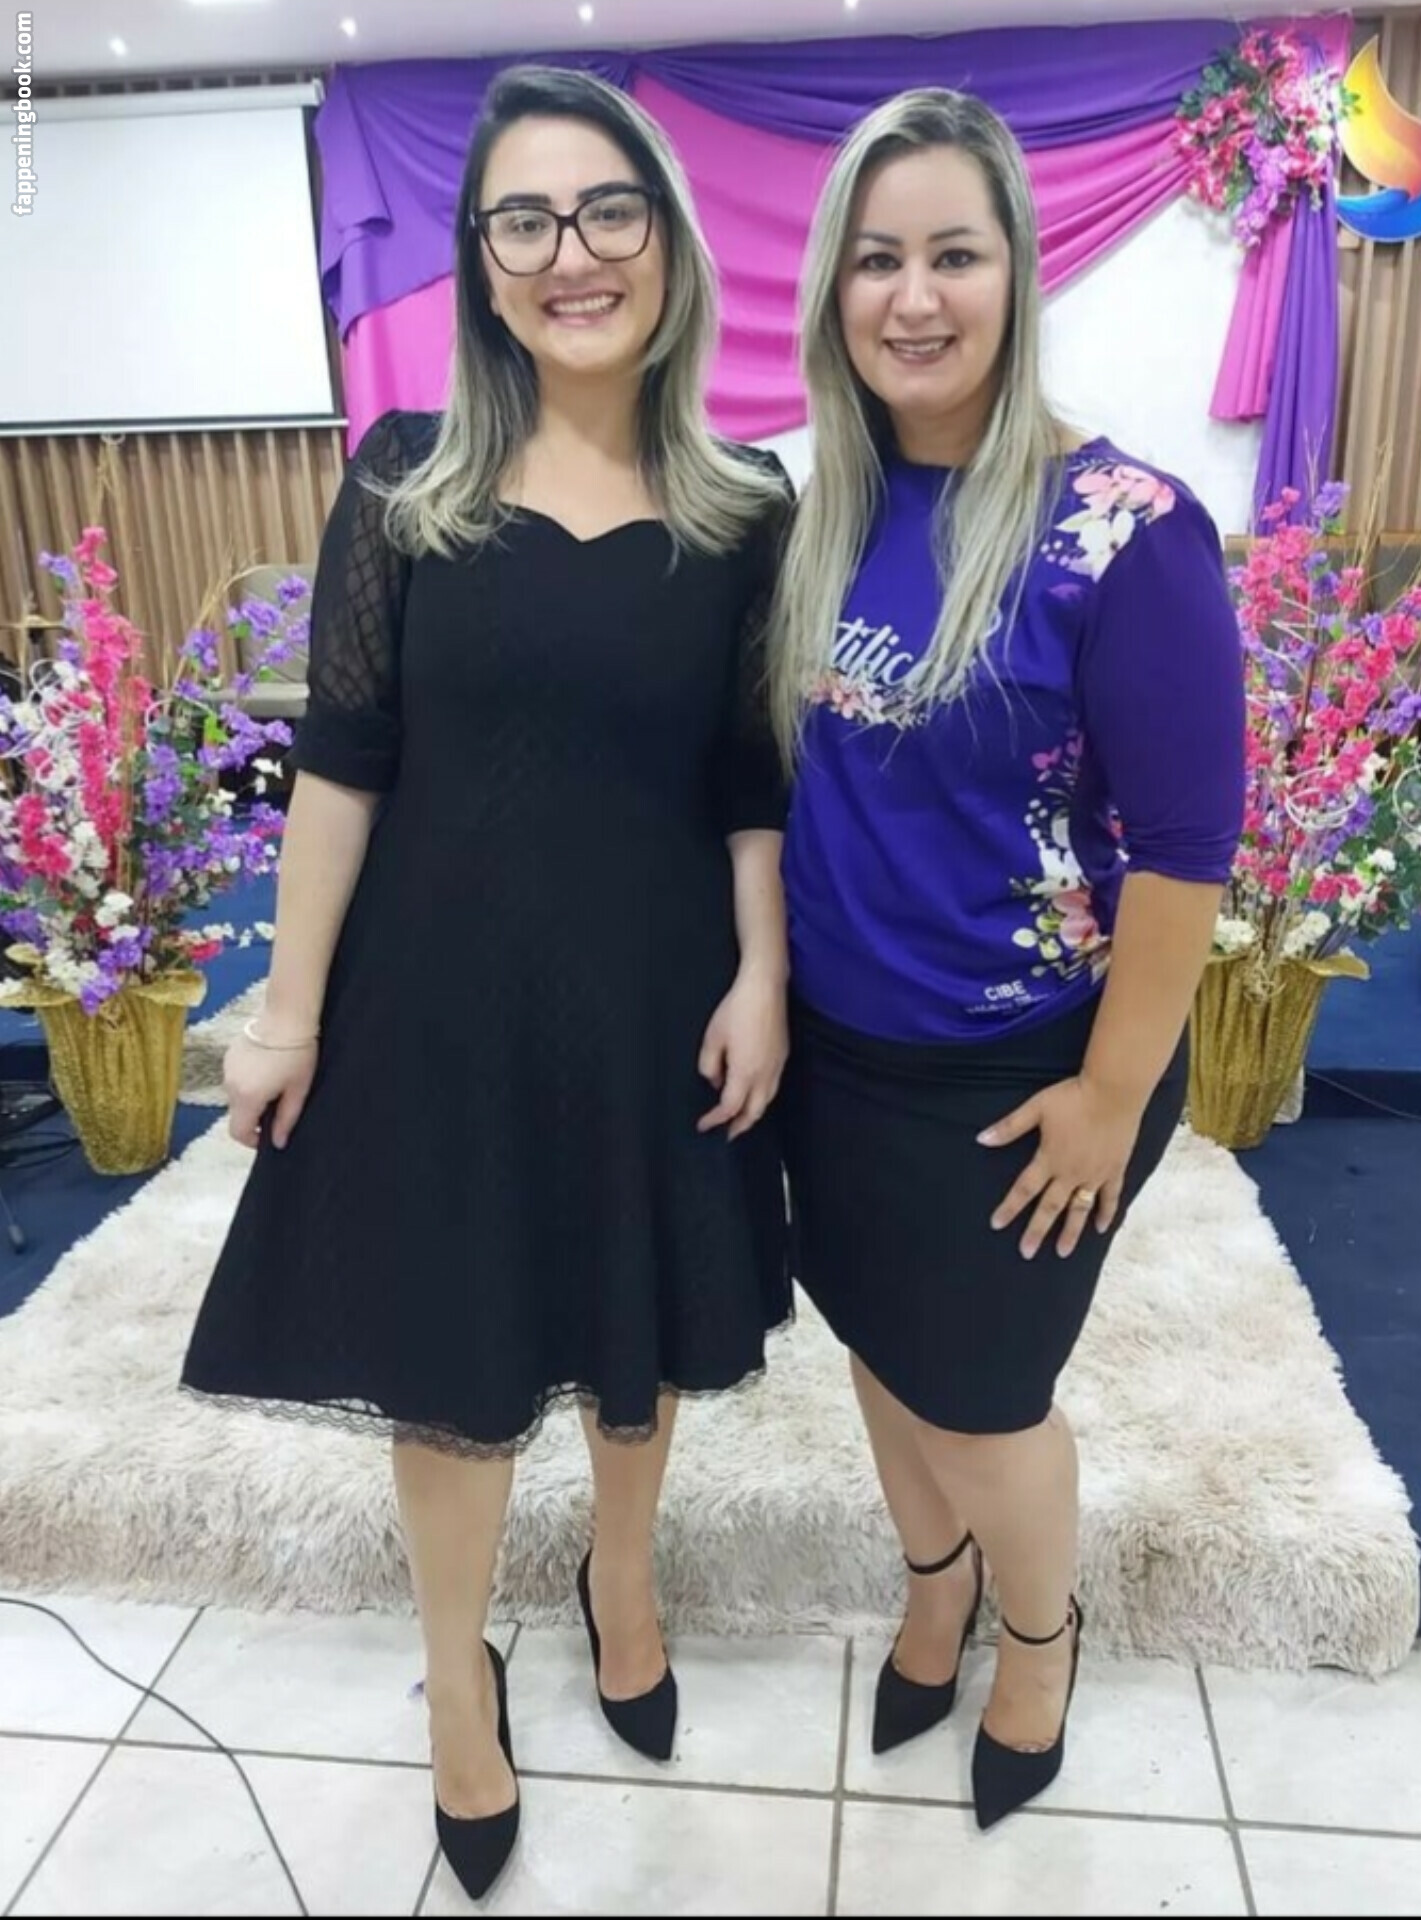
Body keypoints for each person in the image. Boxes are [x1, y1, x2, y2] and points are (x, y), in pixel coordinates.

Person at [181, 66, 793, 1900]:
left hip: (659, 989)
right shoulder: (403, 480)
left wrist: (764, 972)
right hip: (438, 997)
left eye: (607, 210)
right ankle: (459, 1677)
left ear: (666, 239)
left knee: (635, 1326)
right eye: (522, 219)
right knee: (452, 1353)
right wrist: (286, 1011)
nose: (568, 253)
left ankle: (623, 1575)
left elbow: (751, 778)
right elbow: (342, 760)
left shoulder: (746, 503)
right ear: (478, 257)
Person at [771, 89, 1246, 1832]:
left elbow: (1188, 850)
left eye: (953, 255)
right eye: (876, 259)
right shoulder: (825, 509)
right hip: (841, 1053)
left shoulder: (1125, 528)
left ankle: (1039, 1633)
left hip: (1027, 1071)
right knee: (878, 1347)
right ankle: (937, 1585)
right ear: (832, 289)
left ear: (1017, 273)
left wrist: (1113, 1098)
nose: (913, 296)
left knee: (983, 1399)